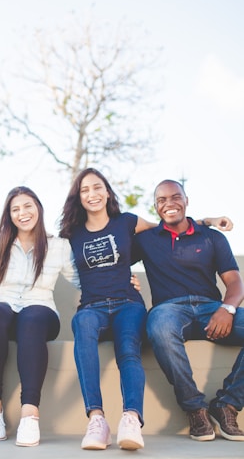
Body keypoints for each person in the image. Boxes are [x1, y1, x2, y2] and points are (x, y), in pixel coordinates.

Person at [59, 167, 229, 451]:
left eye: (97, 187)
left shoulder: (127, 222)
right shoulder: (71, 234)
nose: (92, 194)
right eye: (85, 190)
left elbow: (169, 226)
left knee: (128, 348)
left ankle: (131, 419)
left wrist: (207, 221)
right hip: (91, 306)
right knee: (83, 327)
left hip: (128, 303)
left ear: (107, 191)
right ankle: (97, 419)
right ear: (78, 197)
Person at [0, 186, 81, 447]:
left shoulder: (59, 246)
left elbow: (81, 281)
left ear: (38, 207)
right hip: (3, 310)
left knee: (32, 318)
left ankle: (30, 414)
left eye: (27, 206)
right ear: (9, 215)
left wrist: (119, 283)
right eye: (15, 209)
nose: (22, 213)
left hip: (41, 312)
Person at [133, 179, 244, 443]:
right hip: (169, 310)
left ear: (186, 200)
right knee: (158, 327)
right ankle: (195, 408)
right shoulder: (146, 240)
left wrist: (227, 309)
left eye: (175, 197)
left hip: (212, 309)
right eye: (161, 200)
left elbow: (235, 282)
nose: (169, 203)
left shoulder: (212, 237)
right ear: (155, 207)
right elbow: (117, 233)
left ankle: (227, 404)